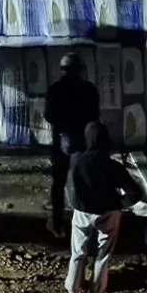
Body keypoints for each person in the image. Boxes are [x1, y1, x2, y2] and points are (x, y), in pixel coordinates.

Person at [64, 121, 144, 293]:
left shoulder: (78, 162)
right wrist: (119, 204)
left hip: (83, 212)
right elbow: (135, 193)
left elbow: (71, 189)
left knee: (78, 253)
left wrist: (78, 205)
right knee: (103, 255)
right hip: (108, 213)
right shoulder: (112, 165)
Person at [44, 52, 101, 238]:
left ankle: (57, 222)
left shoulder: (55, 89)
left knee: (59, 182)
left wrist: (63, 127)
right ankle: (86, 224)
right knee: (82, 181)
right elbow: (94, 116)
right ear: (80, 69)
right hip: (83, 140)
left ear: (62, 70)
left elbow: (49, 115)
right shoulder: (89, 89)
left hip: (61, 139)